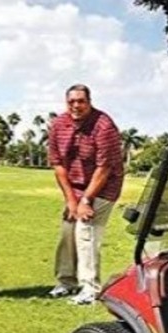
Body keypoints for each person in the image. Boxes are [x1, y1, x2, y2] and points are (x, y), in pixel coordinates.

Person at [46, 84, 125, 305]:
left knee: (85, 228)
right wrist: (72, 201)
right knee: (67, 231)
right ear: (66, 102)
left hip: (104, 186)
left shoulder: (104, 126)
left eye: (81, 101)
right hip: (76, 186)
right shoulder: (59, 124)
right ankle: (66, 282)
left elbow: (104, 168)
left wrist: (86, 200)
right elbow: (58, 165)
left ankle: (89, 288)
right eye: (72, 101)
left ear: (89, 101)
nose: (76, 106)